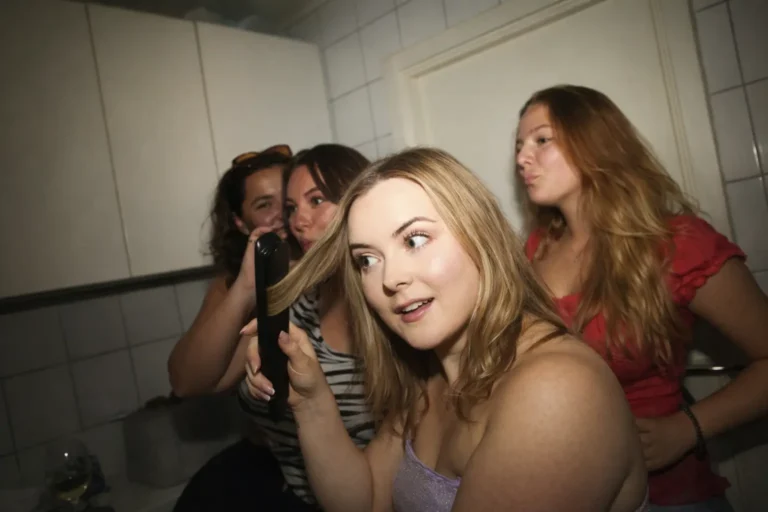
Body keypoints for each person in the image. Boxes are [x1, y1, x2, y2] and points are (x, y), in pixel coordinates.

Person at [243, 147, 651, 512]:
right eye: (367, 259)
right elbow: (365, 499)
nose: (391, 278)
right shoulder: (426, 374)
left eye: (416, 239)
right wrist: (311, 401)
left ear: (481, 235)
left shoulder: (557, 390)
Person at [515, 84, 768, 511]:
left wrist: (687, 428)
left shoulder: (677, 245)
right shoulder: (535, 249)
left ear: (594, 142)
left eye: (541, 140)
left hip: (667, 497)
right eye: (519, 146)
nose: (522, 158)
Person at [171, 143, 374, 510]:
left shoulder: (378, 285)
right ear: (239, 221)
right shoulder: (259, 286)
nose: (288, 218)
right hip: (282, 478)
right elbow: (193, 381)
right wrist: (249, 286)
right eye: (267, 206)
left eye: (291, 202)